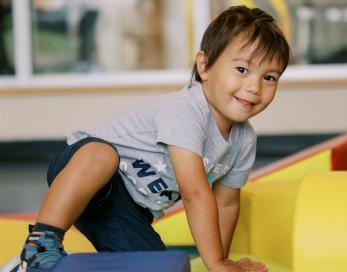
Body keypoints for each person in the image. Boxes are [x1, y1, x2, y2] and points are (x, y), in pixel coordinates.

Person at [10, 6, 290, 272]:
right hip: (83, 174)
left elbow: (226, 203)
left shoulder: (243, 140)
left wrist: (220, 262)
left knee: (157, 265)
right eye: (242, 70)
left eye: (269, 77)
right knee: (101, 155)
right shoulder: (186, 110)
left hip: (127, 210)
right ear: (204, 66)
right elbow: (195, 193)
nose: (254, 88)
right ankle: (39, 246)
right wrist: (216, 261)